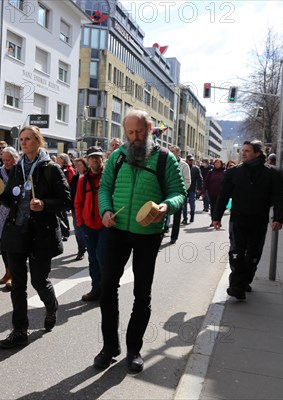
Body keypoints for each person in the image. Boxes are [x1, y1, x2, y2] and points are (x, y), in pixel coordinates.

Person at [95, 109, 185, 373]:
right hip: (118, 231)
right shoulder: (117, 156)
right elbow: (105, 189)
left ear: (149, 129)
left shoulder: (165, 158)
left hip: (148, 233)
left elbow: (178, 192)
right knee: (107, 286)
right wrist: (106, 211)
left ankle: (134, 349)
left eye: (139, 131)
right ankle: (109, 347)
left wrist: (166, 207)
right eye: (130, 132)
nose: (134, 137)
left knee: (141, 294)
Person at [0, 125, 71, 349]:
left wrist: (45, 204)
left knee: (39, 281)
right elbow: (10, 198)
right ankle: (20, 330)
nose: (24, 143)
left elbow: (66, 201)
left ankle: (51, 306)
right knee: (18, 285)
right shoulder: (17, 167)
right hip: (17, 233)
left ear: (38, 141)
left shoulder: (50, 168)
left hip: (41, 235)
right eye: (21, 139)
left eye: (28, 139)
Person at [212, 140, 283, 300]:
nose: (243, 153)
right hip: (238, 220)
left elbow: (280, 198)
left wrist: (278, 218)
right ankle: (236, 284)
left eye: (247, 151)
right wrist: (216, 217)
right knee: (237, 252)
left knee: (253, 254)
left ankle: (244, 281)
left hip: (259, 221)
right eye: (242, 150)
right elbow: (223, 195)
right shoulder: (233, 172)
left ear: (258, 153)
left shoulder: (273, 173)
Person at [74, 147, 107, 301]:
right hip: (88, 227)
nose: (95, 160)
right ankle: (96, 289)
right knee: (93, 259)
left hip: (105, 227)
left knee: (102, 259)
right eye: (92, 157)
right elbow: (78, 203)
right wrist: (81, 223)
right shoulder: (82, 180)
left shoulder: (108, 177)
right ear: (87, 160)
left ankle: (107, 291)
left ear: (102, 159)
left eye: (98, 157)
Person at [0, 146, 20, 290]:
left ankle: (14, 276)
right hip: (2, 214)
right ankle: (7, 272)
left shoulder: (21, 171)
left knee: (13, 247)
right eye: (3, 160)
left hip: (17, 213)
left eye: (9, 160)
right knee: (3, 245)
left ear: (15, 158)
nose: (6, 162)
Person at [168, 145, 191, 244]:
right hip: (167, 193)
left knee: (177, 217)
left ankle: (174, 237)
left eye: (173, 151)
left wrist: (181, 191)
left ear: (178, 153)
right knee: (163, 214)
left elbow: (187, 181)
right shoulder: (166, 163)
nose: (171, 153)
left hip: (178, 194)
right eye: (170, 151)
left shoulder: (184, 165)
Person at [70, 156, 88, 261]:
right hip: (76, 207)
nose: (77, 167)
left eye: (80, 165)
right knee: (77, 228)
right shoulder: (75, 178)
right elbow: (71, 192)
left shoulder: (89, 176)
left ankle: (88, 246)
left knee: (87, 228)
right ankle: (81, 249)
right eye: (76, 165)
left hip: (87, 206)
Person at [56, 153, 75, 241]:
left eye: (59, 158)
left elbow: (71, 183)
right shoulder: (59, 168)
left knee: (63, 215)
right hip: (59, 194)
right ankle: (62, 233)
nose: (57, 159)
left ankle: (66, 233)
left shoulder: (69, 169)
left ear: (63, 159)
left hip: (65, 195)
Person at [182, 155, 202, 224]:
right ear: (186, 160)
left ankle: (192, 216)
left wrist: (199, 188)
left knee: (192, 204)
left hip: (192, 189)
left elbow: (200, 178)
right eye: (190, 160)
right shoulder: (183, 167)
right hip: (184, 189)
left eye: (192, 160)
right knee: (184, 205)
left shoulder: (196, 168)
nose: (191, 161)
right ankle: (185, 218)